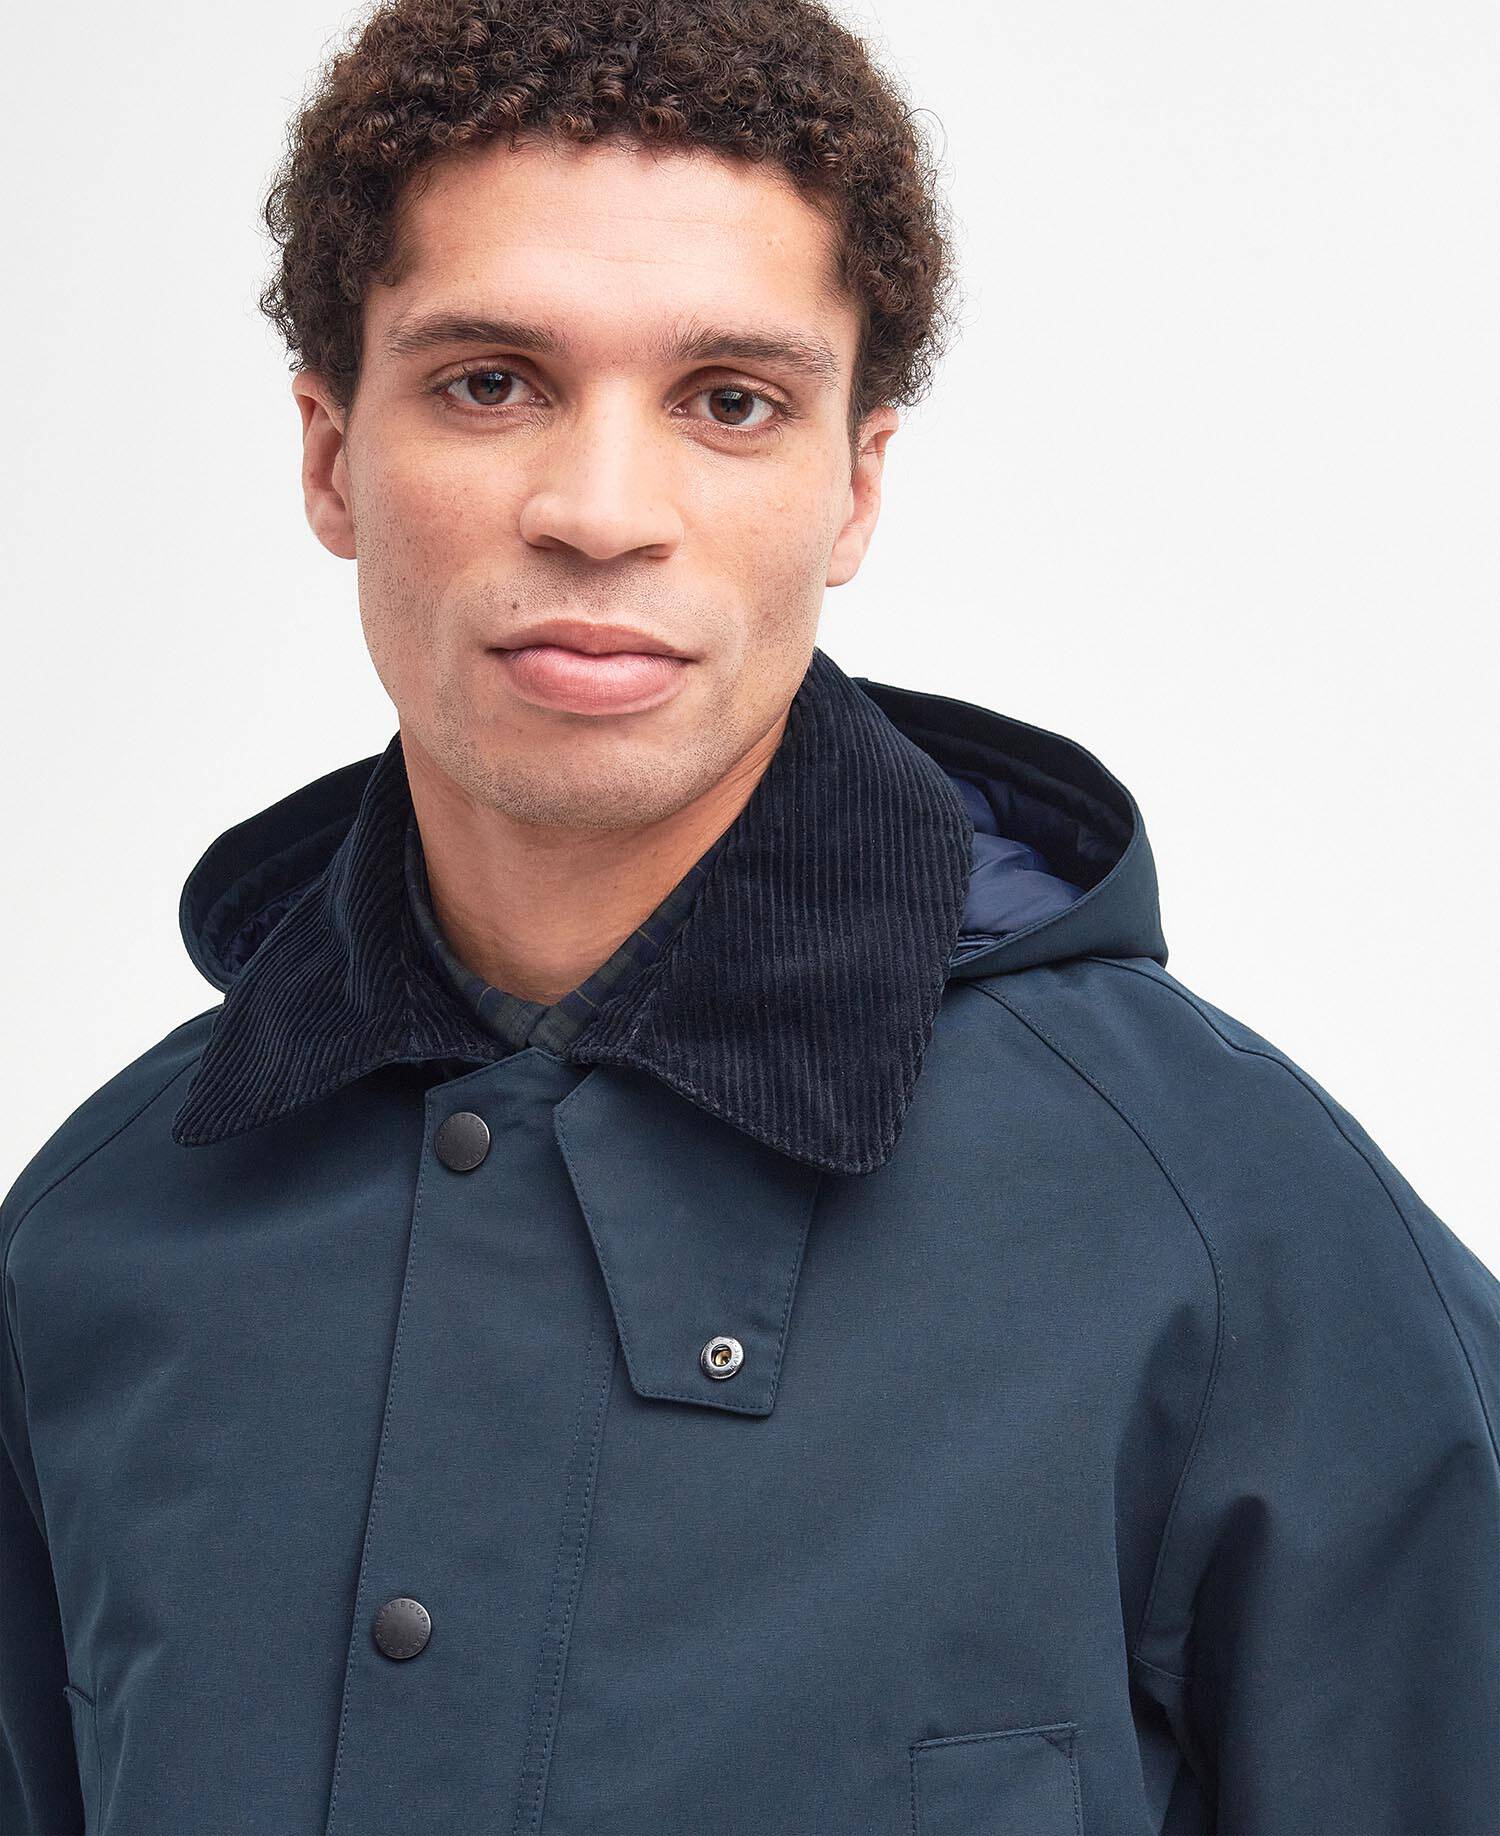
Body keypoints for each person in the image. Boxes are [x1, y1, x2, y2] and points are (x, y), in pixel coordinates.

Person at [3, 1, 1496, 1830]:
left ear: (854, 485)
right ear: (330, 454)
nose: (599, 511)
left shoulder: (1225, 1230)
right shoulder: (95, 1247)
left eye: (729, 402)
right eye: (490, 382)